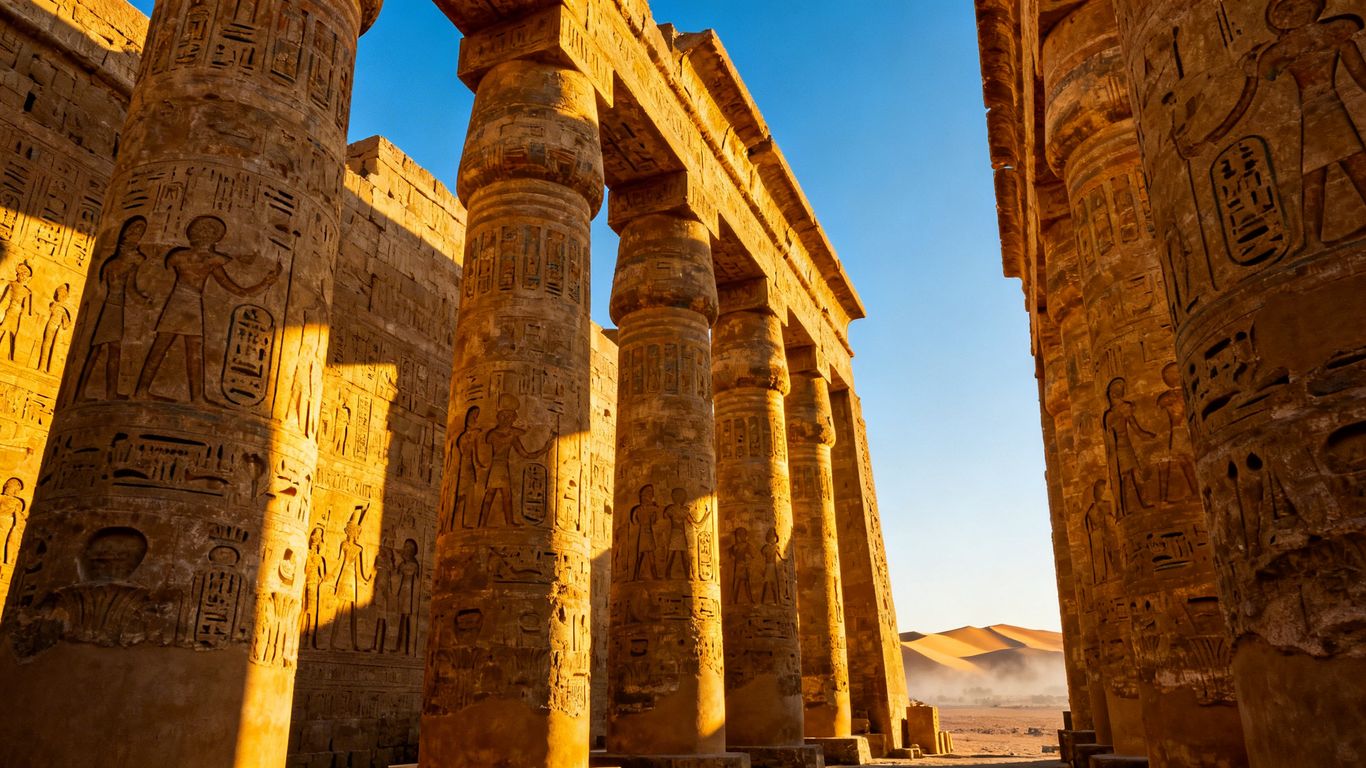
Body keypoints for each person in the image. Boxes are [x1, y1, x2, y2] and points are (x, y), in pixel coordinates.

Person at [135, 215, 280, 402]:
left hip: (192, 303)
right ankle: (142, 391)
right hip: (178, 302)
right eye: (202, 230)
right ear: (193, 234)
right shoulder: (179, 256)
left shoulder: (211, 260)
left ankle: (197, 397)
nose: (205, 234)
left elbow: (238, 290)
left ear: (215, 238)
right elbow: (156, 275)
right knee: (161, 346)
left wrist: (265, 284)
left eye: (210, 232)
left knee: (193, 348)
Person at [78, 217, 151, 399]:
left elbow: (128, 288)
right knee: (105, 350)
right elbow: (129, 289)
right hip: (112, 308)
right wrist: (144, 302)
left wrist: (142, 301)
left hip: (112, 307)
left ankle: (91, 392)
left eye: (140, 232)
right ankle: (96, 393)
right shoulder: (124, 262)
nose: (136, 235)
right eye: (134, 231)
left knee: (102, 350)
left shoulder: (117, 262)